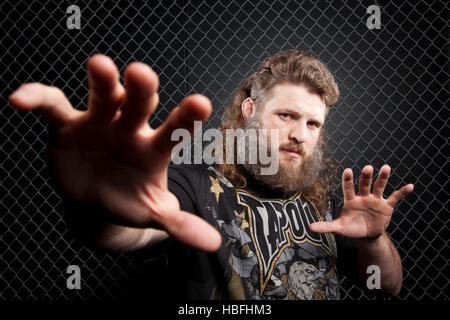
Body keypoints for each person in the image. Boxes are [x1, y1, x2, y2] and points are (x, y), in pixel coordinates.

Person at [8, 49, 414, 300]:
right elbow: (134, 228)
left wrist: (376, 240)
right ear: (251, 110)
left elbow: (388, 286)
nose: (299, 135)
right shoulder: (194, 182)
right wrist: (98, 206)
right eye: (287, 115)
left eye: (313, 124)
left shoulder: (322, 202)